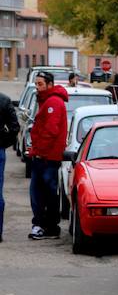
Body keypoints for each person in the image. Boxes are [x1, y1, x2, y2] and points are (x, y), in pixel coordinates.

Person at [28, 71, 68, 240]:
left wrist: (39, 152)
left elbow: (51, 131)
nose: (37, 88)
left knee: (42, 193)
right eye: (36, 84)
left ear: (50, 84)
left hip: (47, 158)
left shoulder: (53, 102)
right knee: (42, 192)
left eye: (40, 84)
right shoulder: (47, 101)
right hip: (44, 156)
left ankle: (47, 226)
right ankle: (44, 225)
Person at [0, 90, 20, 243]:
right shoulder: (4, 100)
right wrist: (3, 144)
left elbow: (14, 128)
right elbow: (14, 128)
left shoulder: (4, 100)